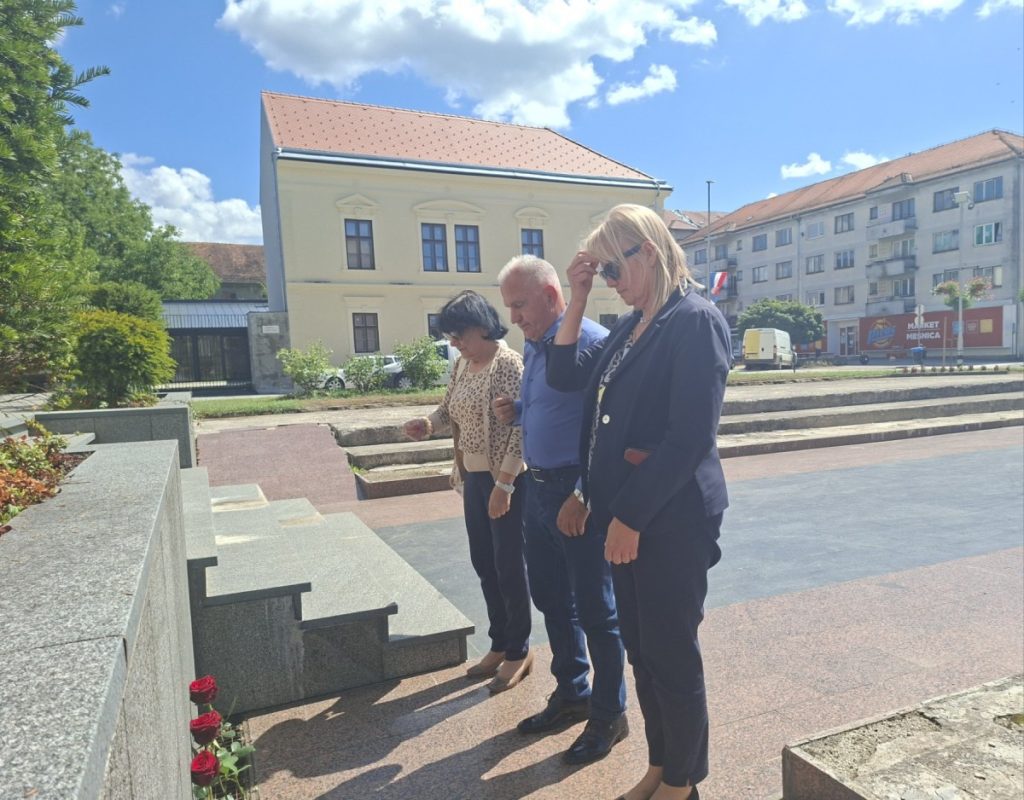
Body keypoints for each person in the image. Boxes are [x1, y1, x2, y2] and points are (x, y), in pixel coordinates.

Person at [547, 204, 731, 800]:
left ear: (646, 251)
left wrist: (628, 517)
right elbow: (564, 376)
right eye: (599, 273)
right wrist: (574, 299)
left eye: (610, 269)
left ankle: (683, 782)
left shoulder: (693, 320)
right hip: (626, 518)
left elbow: (689, 438)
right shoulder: (632, 326)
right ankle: (662, 765)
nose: (608, 282)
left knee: (672, 654)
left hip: (669, 519)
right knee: (643, 653)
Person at [493, 255, 628, 765]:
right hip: (539, 488)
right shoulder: (537, 343)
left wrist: (586, 494)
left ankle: (610, 714)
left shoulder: (590, 342)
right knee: (552, 599)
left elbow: (610, 428)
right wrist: (518, 411)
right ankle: (572, 693)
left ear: (553, 296)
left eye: (520, 305)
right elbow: (557, 407)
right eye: (509, 307)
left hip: (577, 492)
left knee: (597, 609)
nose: (514, 318)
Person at [403, 290, 533, 694]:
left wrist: (505, 484)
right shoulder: (462, 365)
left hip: (504, 480)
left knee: (509, 565)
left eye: (458, 335)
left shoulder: (508, 364)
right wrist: (427, 423)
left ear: (480, 326)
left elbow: (520, 429)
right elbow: (447, 410)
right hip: (473, 479)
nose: (454, 344)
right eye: (451, 338)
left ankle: (520, 650)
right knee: (484, 562)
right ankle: (499, 643)